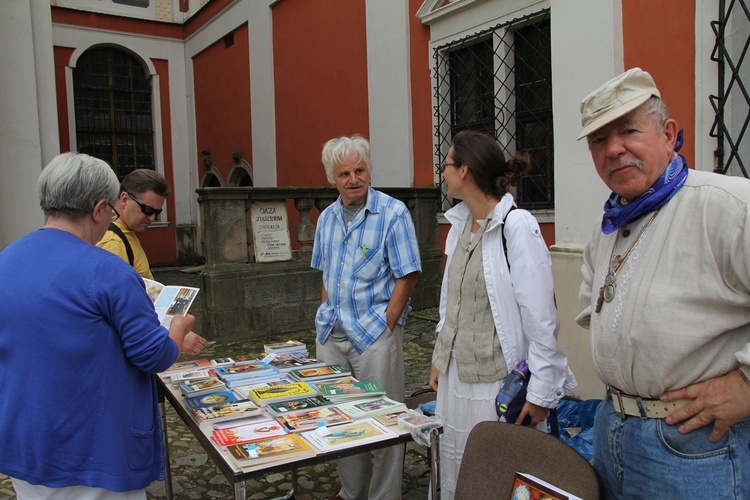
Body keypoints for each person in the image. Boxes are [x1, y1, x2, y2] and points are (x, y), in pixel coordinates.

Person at [576, 68, 750, 498]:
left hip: (693, 448)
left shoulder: (726, 205)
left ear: (668, 134)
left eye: (629, 131)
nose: (613, 150)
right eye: (599, 140)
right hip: (611, 431)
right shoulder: (610, 227)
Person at [0, 152, 195, 498]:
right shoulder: (106, 270)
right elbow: (152, 354)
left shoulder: (7, 259)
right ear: (99, 208)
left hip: (25, 438)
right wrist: (178, 327)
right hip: (90, 448)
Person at [428, 130, 576, 499]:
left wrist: (541, 391)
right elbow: (452, 300)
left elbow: (541, 316)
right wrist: (438, 356)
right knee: (458, 472)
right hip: (456, 381)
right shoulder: (460, 225)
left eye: (446, 165)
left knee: (493, 475)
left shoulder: (516, 226)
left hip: (493, 388)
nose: (442, 173)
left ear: (465, 170)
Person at [312, 135, 421, 500]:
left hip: (374, 336)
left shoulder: (393, 213)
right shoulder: (326, 218)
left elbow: (407, 274)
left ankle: (384, 495)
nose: (353, 178)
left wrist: (388, 323)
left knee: (386, 421)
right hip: (332, 336)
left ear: (369, 170)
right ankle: (350, 492)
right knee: (341, 421)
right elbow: (324, 273)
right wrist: (324, 313)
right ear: (333, 178)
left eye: (359, 170)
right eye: (344, 173)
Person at [97, 168, 207, 355]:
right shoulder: (113, 241)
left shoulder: (126, 232)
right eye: (147, 210)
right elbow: (120, 314)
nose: (151, 218)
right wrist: (175, 335)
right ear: (124, 199)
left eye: (157, 212)